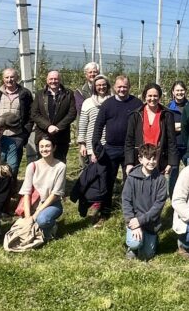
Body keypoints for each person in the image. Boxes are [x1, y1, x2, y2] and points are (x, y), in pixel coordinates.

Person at [88, 75, 141, 223]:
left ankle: (129, 212)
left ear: (129, 87)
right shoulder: (107, 104)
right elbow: (98, 127)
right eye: (119, 87)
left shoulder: (137, 103)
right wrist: (97, 147)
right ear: (114, 88)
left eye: (125, 87)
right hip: (110, 149)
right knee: (107, 181)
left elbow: (141, 128)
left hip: (129, 149)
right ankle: (105, 212)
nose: (122, 89)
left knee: (130, 180)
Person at [122, 144, 169, 261]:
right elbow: (126, 201)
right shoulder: (132, 178)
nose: (151, 162)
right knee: (134, 243)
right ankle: (132, 248)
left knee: (147, 255)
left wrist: (140, 221)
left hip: (150, 223)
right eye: (148, 158)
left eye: (154, 158)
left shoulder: (161, 180)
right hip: (134, 220)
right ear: (140, 159)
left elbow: (158, 207)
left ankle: (151, 240)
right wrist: (132, 221)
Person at [18, 135, 67, 243]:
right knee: (26, 226)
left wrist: (35, 215)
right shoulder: (32, 166)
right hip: (33, 204)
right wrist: (27, 218)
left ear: (54, 147)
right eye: (42, 146)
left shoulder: (60, 167)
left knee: (42, 220)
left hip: (51, 204)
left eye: (48, 146)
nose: (44, 149)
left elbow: (56, 193)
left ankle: (52, 227)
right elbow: (26, 192)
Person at [0, 67, 33, 174]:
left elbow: (31, 115)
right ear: (3, 79)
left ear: (17, 78)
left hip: (16, 135)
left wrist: (25, 133)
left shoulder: (25, 94)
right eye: (7, 77)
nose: (9, 79)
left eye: (12, 77)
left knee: (13, 165)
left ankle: (11, 187)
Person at [124, 83, 179, 177]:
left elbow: (171, 141)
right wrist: (129, 162)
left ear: (159, 97)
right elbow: (129, 141)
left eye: (155, 96)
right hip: (140, 159)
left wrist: (170, 163)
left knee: (157, 188)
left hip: (159, 159)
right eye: (149, 95)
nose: (152, 98)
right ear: (145, 96)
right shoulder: (136, 115)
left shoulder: (167, 115)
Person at [30, 70, 77, 163]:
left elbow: (72, 113)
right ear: (47, 80)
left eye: (56, 79)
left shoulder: (68, 94)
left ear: (60, 80)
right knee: (43, 163)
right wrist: (48, 126)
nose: (53, 81)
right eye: (51, 79)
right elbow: (34, 113)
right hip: (43, 134)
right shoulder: (40, 94)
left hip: (61, 136)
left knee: (60, 162)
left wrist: (58, 127)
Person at [76, 74, 111, 170]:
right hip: (92, 144)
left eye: (104, 85)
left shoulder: (113, 101)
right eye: (98, 85)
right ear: (94, 87)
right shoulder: (88, 102)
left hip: (109, 144)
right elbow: (83, 125)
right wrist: (82, 144)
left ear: (108, 86)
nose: (101, 87)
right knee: (93, 172)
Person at [167, 81, 189, 194]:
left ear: (185, 91)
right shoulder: (168, 108)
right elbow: (168, 128)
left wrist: (178, 126)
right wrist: (183, 125)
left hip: (188, 146)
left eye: (182, 90)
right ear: (173, 92)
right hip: (173, 146)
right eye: (177, 90)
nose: (180, 92)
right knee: (173, 174)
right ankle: (173, 197)